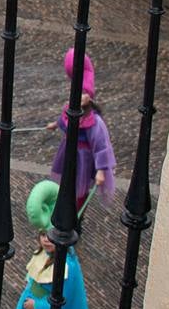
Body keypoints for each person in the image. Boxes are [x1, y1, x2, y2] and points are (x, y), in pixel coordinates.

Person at [10, 180, 95, 309]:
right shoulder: (41, 254)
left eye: (50, 235)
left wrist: (38, 306)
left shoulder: (68, 266)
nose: (46, 240)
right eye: (43, 235)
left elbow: (64, 301)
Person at [47, 49, 117, 211]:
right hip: (68, 153)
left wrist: (101, 170)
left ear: (89, 96)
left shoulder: (94, 122)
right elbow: (63, 118)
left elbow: (102, 146)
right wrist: (55, 124)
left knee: (79, 188)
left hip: (83, 160)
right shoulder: (70, 109)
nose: (80, 96)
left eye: (84, 93)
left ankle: (76, 215)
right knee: (66, 183)